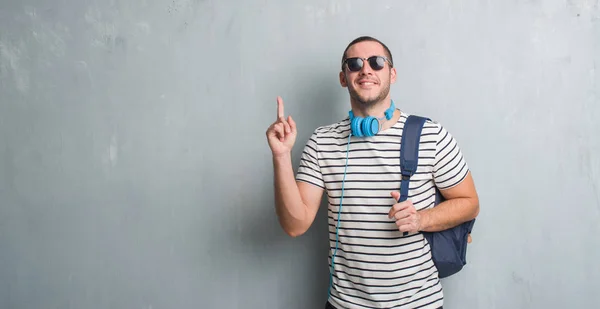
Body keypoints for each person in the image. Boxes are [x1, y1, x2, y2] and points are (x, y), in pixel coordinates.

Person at [265, 36, 480, 309]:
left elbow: (470, 203)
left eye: (377, 62)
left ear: (392, 73)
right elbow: (295, 225)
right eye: (354, 64)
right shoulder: (322, 142)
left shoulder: (431, 135)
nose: (366, 69)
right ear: (344, 78)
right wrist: (282, 155)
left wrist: (421, 219)